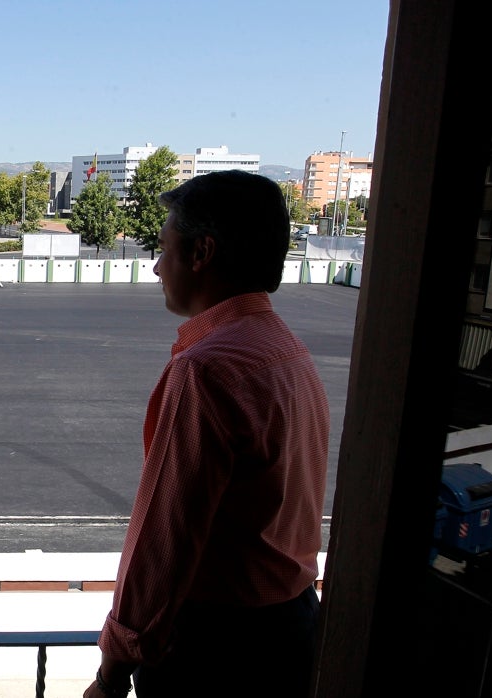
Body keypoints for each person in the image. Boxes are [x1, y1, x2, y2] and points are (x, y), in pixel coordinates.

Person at [85, 170, 329, 698]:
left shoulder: (206, 368)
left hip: (218, 649)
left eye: (164, 248)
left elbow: (163, 538)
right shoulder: (287, 351)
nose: (155, 266)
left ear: (201, 254)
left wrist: (111, 674)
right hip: (290, 629)